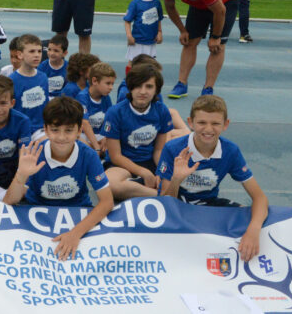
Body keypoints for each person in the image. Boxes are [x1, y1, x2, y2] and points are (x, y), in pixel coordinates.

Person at [157, 95, 267, 262]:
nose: (208, 129)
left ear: (225, 125)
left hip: (209, 204)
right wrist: (176, 180)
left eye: (215, 123)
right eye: (202, 123)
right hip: (177, 205)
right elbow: (164, 203)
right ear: (190, 122)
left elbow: (259, 197)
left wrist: (253, 230)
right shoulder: (173, 148)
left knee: (255, 216)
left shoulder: (230, 151)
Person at [3, 97, 113, 261]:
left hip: (77, 213)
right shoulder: (34, 153)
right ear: (46, 129)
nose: (61, 137)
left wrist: (75, 233)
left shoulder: (88, 155)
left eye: (68, 130)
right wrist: (21, 174)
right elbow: (9, 201)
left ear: (79, 130)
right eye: (55, 130)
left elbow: (107, 202)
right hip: (37, 213)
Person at [155, 0, 240, 98]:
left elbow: (220, 11)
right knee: (189, 42)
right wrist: (182, 30)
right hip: (199, 1)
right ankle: (181, 84)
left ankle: (208, 88)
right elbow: (170, 7)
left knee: (217, 47)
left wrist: (216, 36)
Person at [101, 64, 172, 200]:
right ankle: (160, 196)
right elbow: (116, 156)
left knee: (178, 178)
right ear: (130, 87)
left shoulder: (161, 110)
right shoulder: (116, 112)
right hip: (122, 164)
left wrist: (161, 172)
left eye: (149, 86)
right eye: (138, 86)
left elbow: (159, 151)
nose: (143, 91)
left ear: (157, 89)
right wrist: (143, 173)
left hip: (150, 161)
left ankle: (135, 188)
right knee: (110, 185)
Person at [117, 54, 191, 142]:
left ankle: (186, 132)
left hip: (152, 120)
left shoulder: (153, 88)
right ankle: (186, 135)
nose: (143, 91)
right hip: (142, 128)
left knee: (173, 112)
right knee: (174, 137)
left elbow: (160, 110)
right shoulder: (125, 92)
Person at [10, 34, 48, 139]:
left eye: (39, 51)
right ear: (20, 54)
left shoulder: (43, 77)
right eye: (32, 51)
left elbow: (45, 106)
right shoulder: (11, 80)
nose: (37, 55)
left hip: (40, 130)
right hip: (19, 129)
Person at [123, 0, 163, 68]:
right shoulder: (135, 3)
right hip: (137, 41)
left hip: (151, 40)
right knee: (133, 63)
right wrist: (129, 36)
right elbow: (127, 21)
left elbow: (158, 19)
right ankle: (128, 82)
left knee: (150, 65)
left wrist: (160, 32)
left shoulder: (157, 3)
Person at [75, 62, 115, 153]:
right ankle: (94, 152)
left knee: (115, 139)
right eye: (108, 83)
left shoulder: (106, 97)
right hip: (84, 135)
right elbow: (84, 123)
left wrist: (106, 136)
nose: (111, 87)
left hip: (99, 135)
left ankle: (98, 154)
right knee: (77, 139)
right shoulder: (82, 97)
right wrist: (96, 146)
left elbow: (110, 119)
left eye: (112, 84)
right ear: (95, 81)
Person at [38, 34, 69, 98]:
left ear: (64, 53)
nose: (51, 53)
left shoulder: (69, 67)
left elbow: (68, 89)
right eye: (49, 49)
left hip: (61, 99)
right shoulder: (42, 66)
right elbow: (39, 86)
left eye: (56, 51)